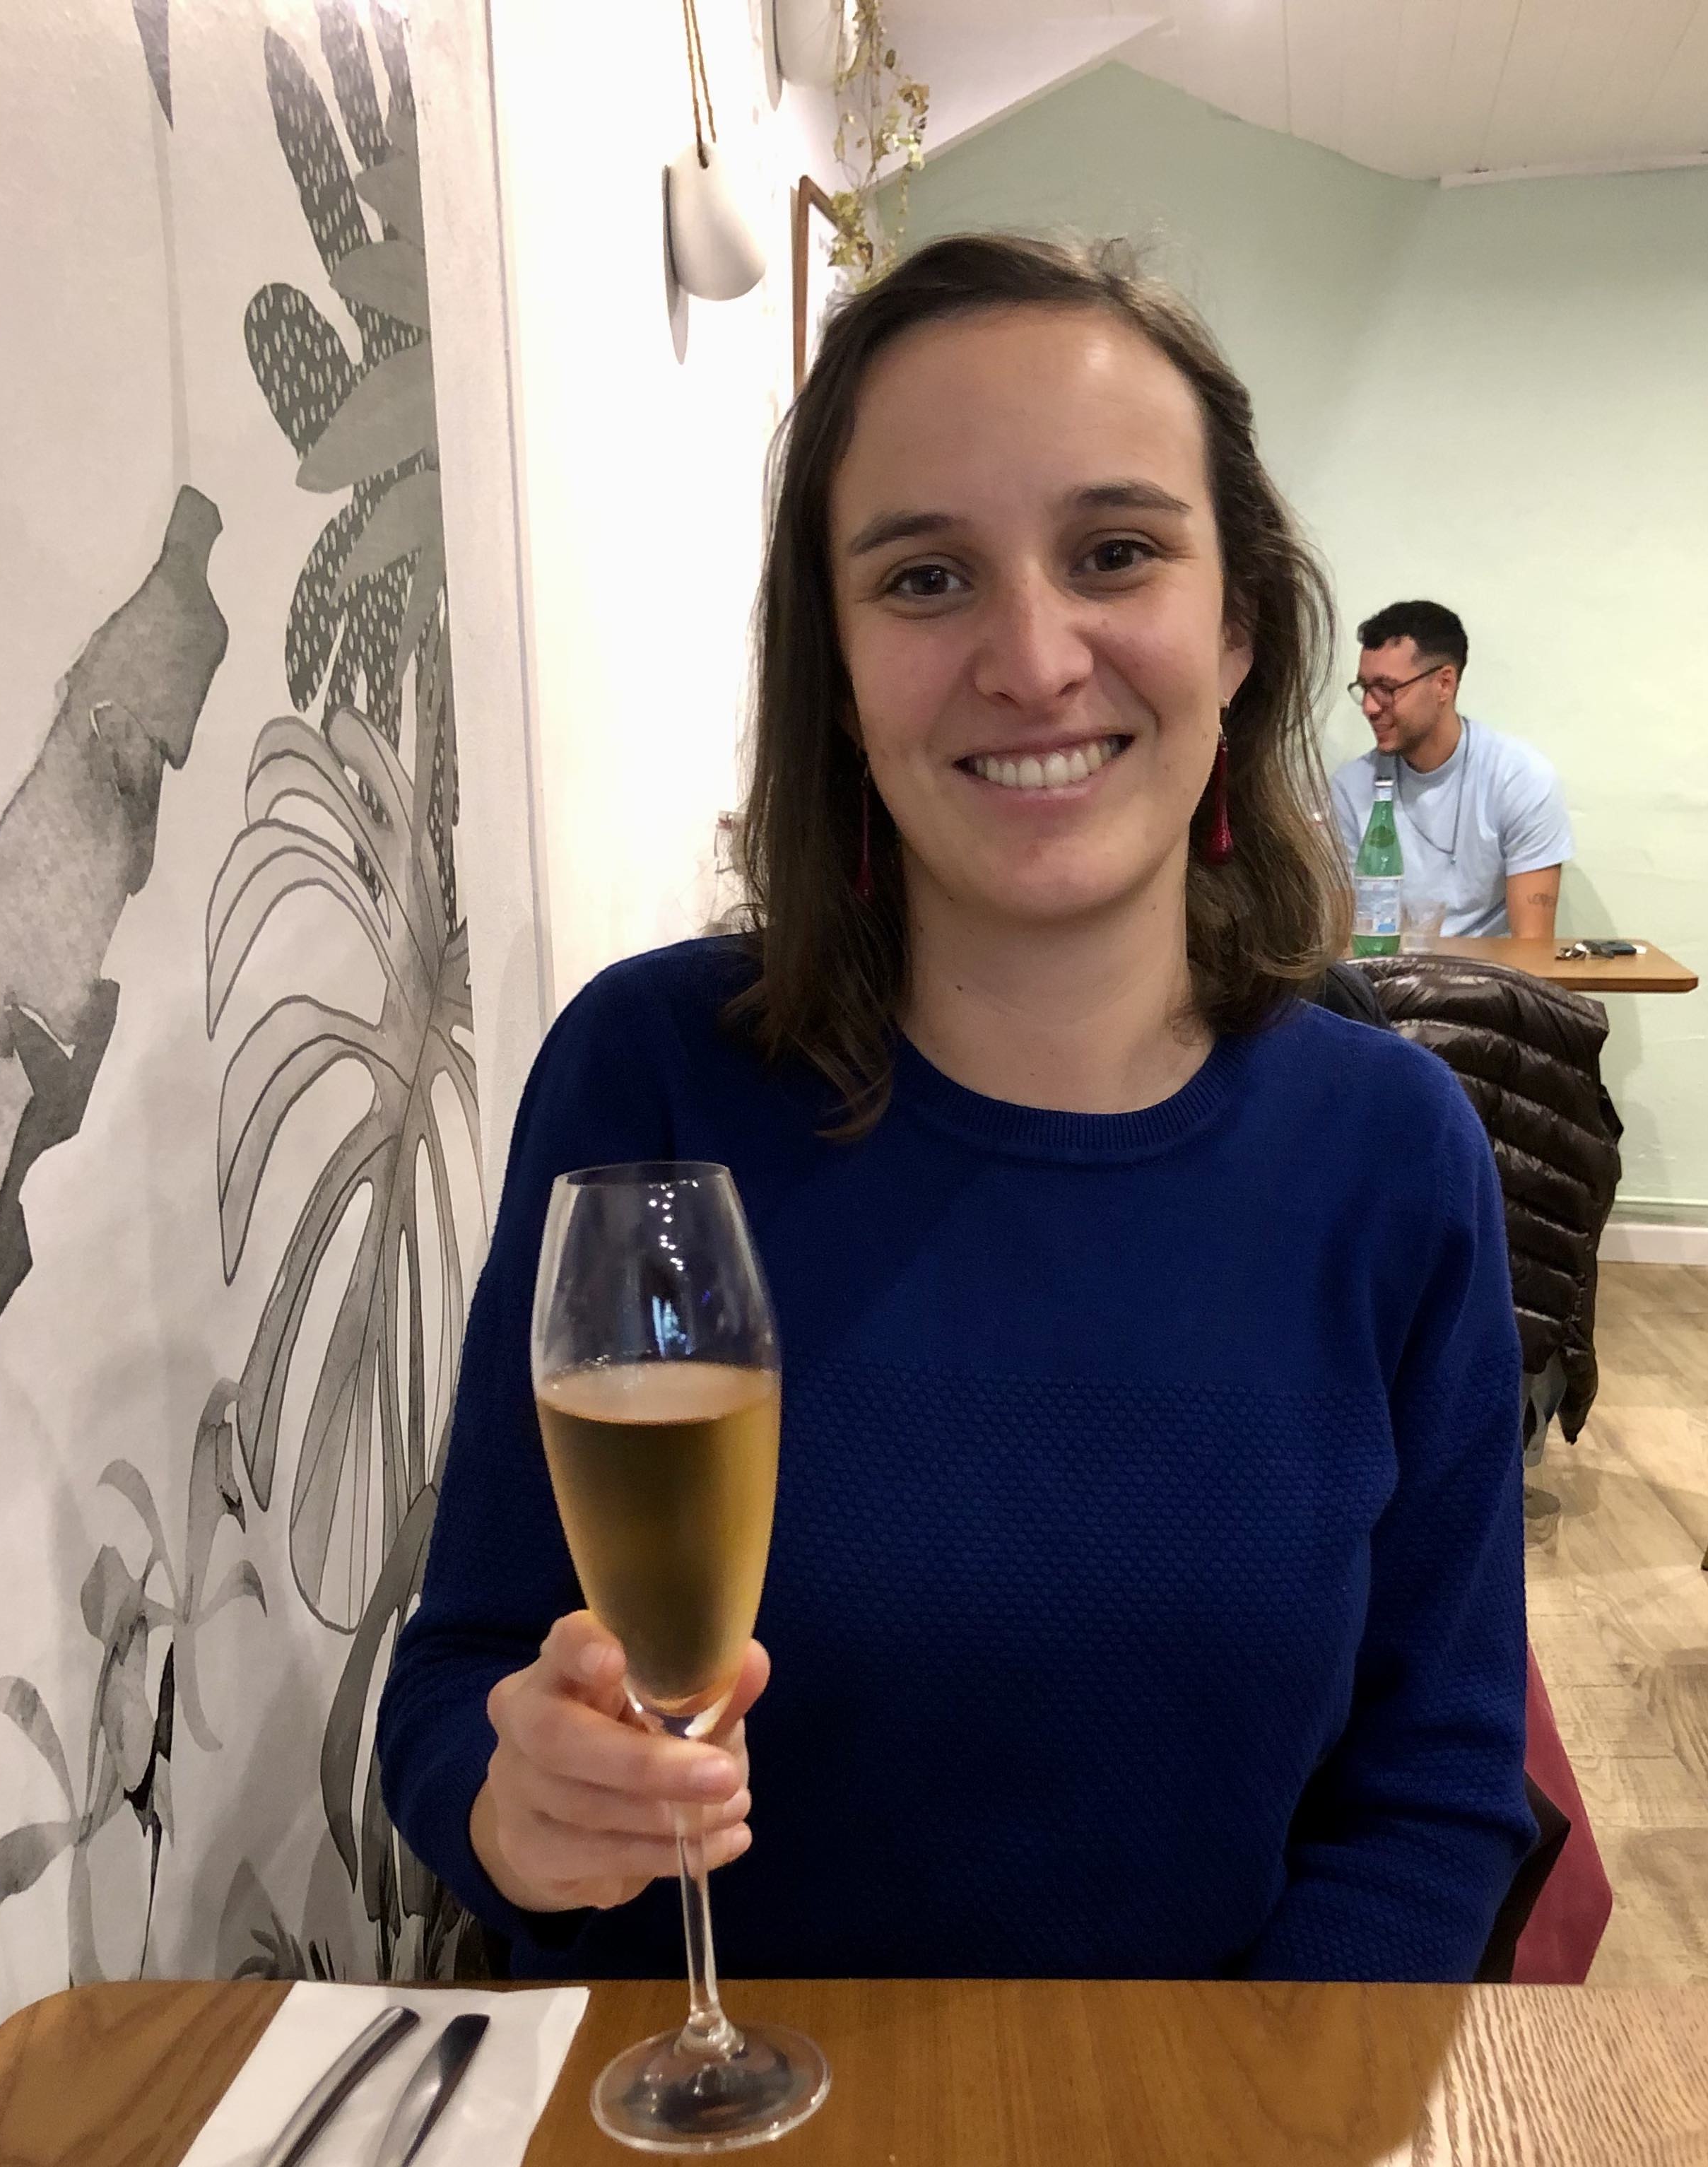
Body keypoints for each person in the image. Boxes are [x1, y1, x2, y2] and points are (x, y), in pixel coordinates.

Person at [375, 235, 1536, 1985]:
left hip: (1221, 2130)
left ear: (1237, 629)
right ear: (838, 671)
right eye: (926, 579)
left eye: (1116, 552)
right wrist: (515, 1804)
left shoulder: (1392, 1153)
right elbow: (459, 1677)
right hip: (696, 2120)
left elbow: (1435, 1791)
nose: (1034, 657)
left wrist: (1240, 2125)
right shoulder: (651, 1077)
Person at [1327, 601, 1572, 939]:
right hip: (1389, 971)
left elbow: (1532, 946)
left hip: (1492, 972)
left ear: (1444, 684)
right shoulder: (1351, 788)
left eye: (1387, 689)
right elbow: (1348, 935)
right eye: (1365, 688)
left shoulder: (1519, 779)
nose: (1370, 707)